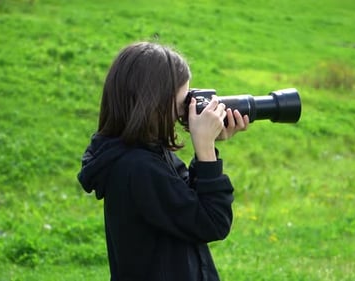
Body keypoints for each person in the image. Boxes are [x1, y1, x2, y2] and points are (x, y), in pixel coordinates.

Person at [77, 42, 250, 281]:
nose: (184, 113)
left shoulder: (146, 153)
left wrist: (207, 149)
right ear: (152, 103)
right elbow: (212, 221)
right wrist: (205, 147)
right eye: (181, 104)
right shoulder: (138, 168)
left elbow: (189, 201)